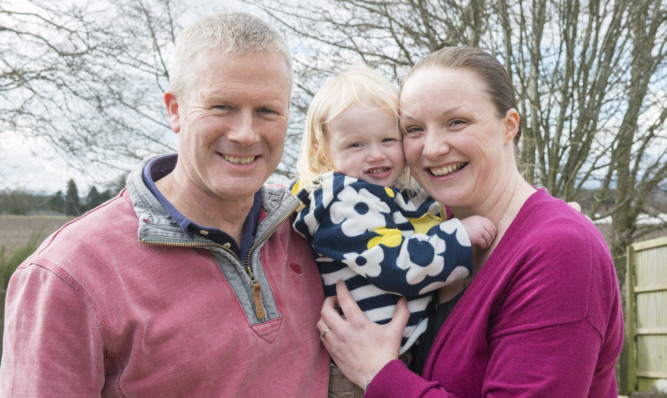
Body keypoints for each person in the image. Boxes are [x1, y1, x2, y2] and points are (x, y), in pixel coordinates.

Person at [0, 12, 330, 396]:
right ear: (175, 110)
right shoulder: (67, 275)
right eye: (221, 106)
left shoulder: (311, 228)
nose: (245, 133)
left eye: (267, 111)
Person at [317, 46, 623, 397]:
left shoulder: (561, 250)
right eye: (414, 129)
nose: (432, 149)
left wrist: (378, 374)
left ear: (509, 126)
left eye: (456, 122)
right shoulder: (419, 232)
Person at [292, 65, 496, 397]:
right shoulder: (340, 202)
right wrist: (458, 236)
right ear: (322, 152)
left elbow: (429, 208)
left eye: (388, 139)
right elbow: (395, 265)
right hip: (351, 373)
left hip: (389, 357)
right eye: (356, 145)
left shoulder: (382, 195)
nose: (376, 154)